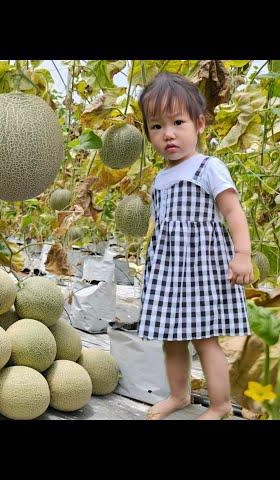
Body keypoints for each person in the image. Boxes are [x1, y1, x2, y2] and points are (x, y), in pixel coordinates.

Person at [136, 72, 252, 420]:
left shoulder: (208, 167)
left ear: (199, 124)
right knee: (171, 339)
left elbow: (232, 211)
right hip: (170, 272)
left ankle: (219, 406)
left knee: (205, 340)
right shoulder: (160, 178)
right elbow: (164, 229)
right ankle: (179, 395)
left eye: (177, 122)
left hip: (203, 269)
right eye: (156, 127)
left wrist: (242, 254)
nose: (167, 134)